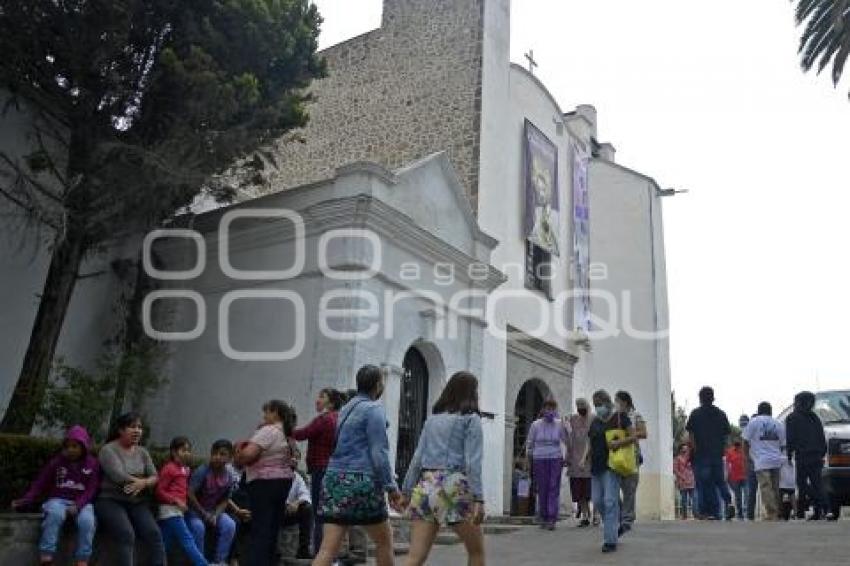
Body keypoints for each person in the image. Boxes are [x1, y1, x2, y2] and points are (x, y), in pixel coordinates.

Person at [313, 365, 403, 566]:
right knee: (384, 543)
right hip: (361, 481)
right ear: (379, 384)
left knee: (327, 549)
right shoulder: (374, 409)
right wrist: (392, 488)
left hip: (335, 480)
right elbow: (379, 453)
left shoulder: (346, 408)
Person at [402, 371, 485, 566]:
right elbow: (473, 462)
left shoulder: (432, 420)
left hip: (426, 484)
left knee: (415, 557)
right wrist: (478, 497)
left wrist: (406, 491)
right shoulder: (471, 419)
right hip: (453, 485)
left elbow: (416, 458)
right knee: (476, 552)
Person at [12, 425, 100, 566]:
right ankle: (46, 558)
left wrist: (78, 505)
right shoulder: (56, 463)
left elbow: (92, 489)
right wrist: (26, 499)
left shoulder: (92, 464)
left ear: (83, 447)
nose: (70, 450)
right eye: (67, 446)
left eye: (75, 446)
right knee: (55, 515)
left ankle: (82, 560)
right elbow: (39, 483)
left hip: (82, 503)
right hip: (58, 500)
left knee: (87, 522)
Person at [94, 412, 165, 566]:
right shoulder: (108, 450)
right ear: (121, 430)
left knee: (154, 533)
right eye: (132, 427)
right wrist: (143, 481)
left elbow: (155, 476)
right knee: (126, 534)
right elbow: (118, 475)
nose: (137, 430)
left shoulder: (143, 452)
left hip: (137, 502)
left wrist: (144, 483)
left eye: (140, 427)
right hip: (110, 501)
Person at [235, 400, 297, 566]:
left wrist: (239, 451)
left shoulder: (269, 430)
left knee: (260, 528)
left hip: (264, 483)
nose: (264, 416)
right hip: (283, 483)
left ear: (275, 412)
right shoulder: (288, 433)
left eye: (267, 412)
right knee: (272, 528)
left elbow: (249, 455)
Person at [292, 388, 342, 556]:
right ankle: (328, 553)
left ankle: (320, 553)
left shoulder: (324, 420)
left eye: (322, 397)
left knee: (319, 512)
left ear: (331, 402)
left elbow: (302, 434)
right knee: (328, 512)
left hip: (321, 468)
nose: (317, 400)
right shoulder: (338, 418)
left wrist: (283, 429)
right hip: (333, 469)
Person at [584, 390, 635, 554]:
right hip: (595, 467)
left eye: (600, 403)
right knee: (598, 501)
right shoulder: (595, 422)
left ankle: (610, 541)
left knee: (609, 501)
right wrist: (585, 458)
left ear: (607, 403)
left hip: (612, 466)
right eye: (595, 404)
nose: (598, 407)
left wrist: (619, 442)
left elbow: (633, 436)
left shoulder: (620, 417)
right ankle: (616, 522)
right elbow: (591, 442)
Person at [186, 439, 242, 565]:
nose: (217, 457)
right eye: (214, 453)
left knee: (230, 525)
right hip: (195, 511)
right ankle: (200, 562)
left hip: (213, 511)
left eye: (222, 454)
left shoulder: (229, 476)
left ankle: (219, 561)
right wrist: (203, 513)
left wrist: (216, 514)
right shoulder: (203, 471)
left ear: (229, 457)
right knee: (198, 527)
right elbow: (190, 494)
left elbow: (225, 499)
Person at [155, 437, 208, 566]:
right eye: (183, 450)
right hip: (170, 511)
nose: (187, 453)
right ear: (174, 452)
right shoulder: (169, 468)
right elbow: (159, 491)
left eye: (188, 450)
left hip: (178, 511)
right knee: (187, 539)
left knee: (165, 541)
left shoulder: (185, 469)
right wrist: (175, 501)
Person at [685, 387, 734, 520]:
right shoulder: (721, 414)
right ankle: (728, 502)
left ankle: (709, 512)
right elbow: (727, 436)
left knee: (704, 483)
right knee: (719, 481)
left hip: (701, 454)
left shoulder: (695, 414)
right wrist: (723, 450)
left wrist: (694, 449)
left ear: (700, 398)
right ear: (713, 398)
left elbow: (691, 434)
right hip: (717, 454)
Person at [525, 398, 568, 530]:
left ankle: (551, 518)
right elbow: (529, 443)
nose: (550, 411)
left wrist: (567, 427)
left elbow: (566, 440)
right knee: (542, 487)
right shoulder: (535, 425)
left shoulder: (560, 423)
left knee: (553, 487)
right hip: (539, 458)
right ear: (543, 410)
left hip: (555, 457)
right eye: (547, 408)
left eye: (552, 409)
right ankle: (543, 516)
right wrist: (528, 459)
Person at [786, 391, 828, 520]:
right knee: (817, 483)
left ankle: (801, 512)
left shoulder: (792, 417)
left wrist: (788, 453)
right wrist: (822, 452)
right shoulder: (815, 417)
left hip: (802, 456)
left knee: (802, 485)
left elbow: (790, 438)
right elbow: (821, 437)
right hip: (817, 455)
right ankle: (822, 509)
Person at [742, 402, 785, 521]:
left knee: (766, 487)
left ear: (759, 410)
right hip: (776, 459)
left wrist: (746, 458)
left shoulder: (753, 422)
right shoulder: (778, 423)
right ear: (771, 411)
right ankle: (777, 513)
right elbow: (782, 444)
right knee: (775, 487)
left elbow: (745, 441)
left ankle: (772, 513)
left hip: (761, 460)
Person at [615, 391, 646, 533]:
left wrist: (628, 435)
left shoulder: (635, 415)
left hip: (632, 455)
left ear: (625, 402)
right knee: (613, 488)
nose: (616, 404)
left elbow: (643, 433)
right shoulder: (614, 417)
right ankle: (622, 515)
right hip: (615, 456)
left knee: (629, 489)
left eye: (617, 401)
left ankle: (627, 520)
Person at [566, 398, 593, 527]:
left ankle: (596, 515)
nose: (580, 407)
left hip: (589, 461)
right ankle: (585, 516)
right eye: (578, 405)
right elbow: (568, 438)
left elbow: (590, 440)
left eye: (582, 405)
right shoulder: (573, 419)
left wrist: (584, 458)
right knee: (580, 492)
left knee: (591, 491)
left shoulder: (592, 419)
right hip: (575, 461)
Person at [282, 472, 313, 559]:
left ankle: (303, 550)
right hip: (276, 509)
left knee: (307, 508)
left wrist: (297, 503)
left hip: (291, 510)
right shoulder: (273, 473)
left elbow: (305, 495)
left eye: (296, 458)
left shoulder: (297, 477)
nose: (294, 460)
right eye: (292, 457)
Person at [739, 415, 758, 521]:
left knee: (751, 490)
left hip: (753, 462)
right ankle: (750, 514)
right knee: (752, 490)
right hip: (754, 462)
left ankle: (750, 515)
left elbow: (745, 446)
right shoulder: (750, 431)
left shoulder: (749, 431)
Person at [725, 440, 746, 520]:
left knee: (746, 495)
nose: (737, 447)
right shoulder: (730, 452)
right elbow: (727, 465)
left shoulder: (744, 451)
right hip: (734, 478)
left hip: (744, 476)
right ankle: (740, 514)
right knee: (738, 496)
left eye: (738, 445)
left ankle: (744, 512)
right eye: (736, 445)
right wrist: (727, 476)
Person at [673, 444, 695, 520]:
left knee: (694, 498)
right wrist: (682, 476)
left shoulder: (691, 458)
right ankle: (684, 515)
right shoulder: (678, 459)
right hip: (682, 482)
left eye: (686, 449)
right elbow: (675, 469)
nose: (685, 450)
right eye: (684, 449)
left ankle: (696, 514)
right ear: (680, 450)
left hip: (691, 481)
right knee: (684, 500)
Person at [779, 456, 796, 521]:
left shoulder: (781, 459)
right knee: (793, 498)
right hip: (792, 484)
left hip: (783, 483)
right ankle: (796, 513)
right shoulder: (793, 460)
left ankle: (780, 513)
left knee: (780, 498)